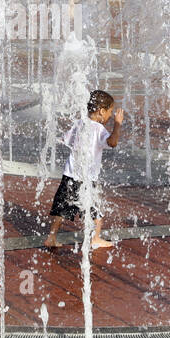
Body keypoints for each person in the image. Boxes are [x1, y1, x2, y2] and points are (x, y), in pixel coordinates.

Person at [43, 89, 124, 251]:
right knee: (96, 212)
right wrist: (117, 124)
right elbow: (113, 142)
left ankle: (51, 237)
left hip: (70, 175)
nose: (109, 116)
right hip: (86, 180)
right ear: (101, 111)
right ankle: (95, 238)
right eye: (109, 112)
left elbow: (64, 139)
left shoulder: (79, 123)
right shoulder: (98, 129)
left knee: (61, 209)